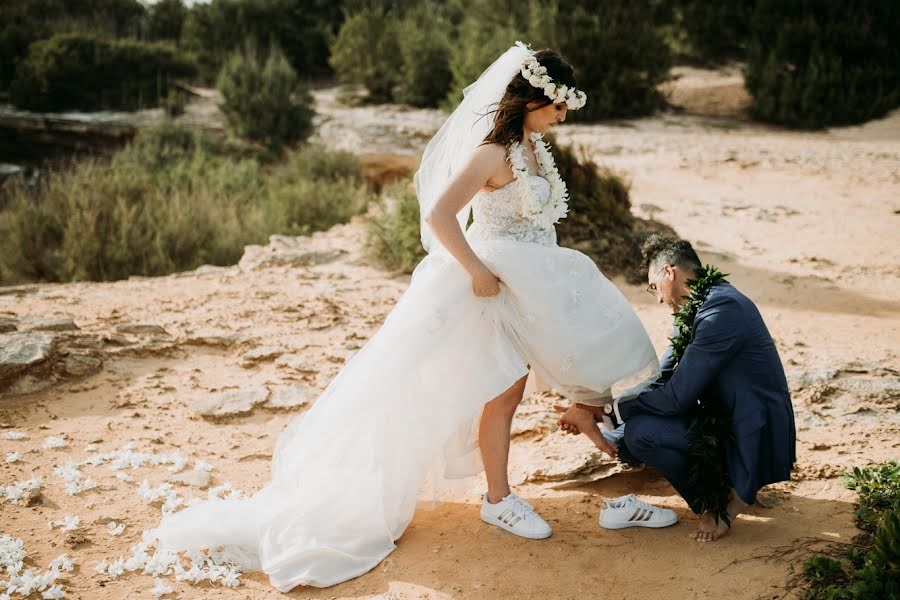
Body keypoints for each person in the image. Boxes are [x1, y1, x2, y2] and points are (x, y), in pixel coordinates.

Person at [149, 42, 659, 591]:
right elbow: (440, 213)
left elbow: (536, 223)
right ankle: (498, 499)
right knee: (500, 391)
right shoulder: (491, 152)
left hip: (530, 285)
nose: (562, 117)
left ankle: (550, 459)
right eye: (558, 106)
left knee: (531, 381)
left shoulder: (533, 150)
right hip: (486, 288)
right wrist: (474, 271)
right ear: (533, 98)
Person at [558, 235, 797, 542]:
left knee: (640, 433)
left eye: (653, 286)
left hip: (751, 431)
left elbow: (675, 398)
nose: (657, 297)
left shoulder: (722, 312)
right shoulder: (696, 307)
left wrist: (605, 411)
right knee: (628, 440)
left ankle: (722, 503)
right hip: (721, 420)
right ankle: (720, 486)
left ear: (669, 273)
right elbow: (663, 376)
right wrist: (596, 412)